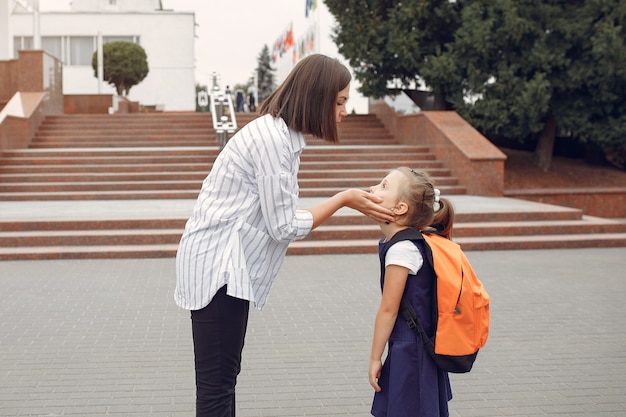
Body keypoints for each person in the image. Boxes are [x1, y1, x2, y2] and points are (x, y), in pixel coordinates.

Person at [175, 54, 395, 417]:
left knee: (223, 379)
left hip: (227, 269)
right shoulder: (273, 141)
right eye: (339, 102)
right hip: (218, 269)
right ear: (317, 98)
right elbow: (284, 226)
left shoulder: (280, 136)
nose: (344, 111)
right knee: (216, 387)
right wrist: (343, 199)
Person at [367, 167, 454, 417]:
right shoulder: (407, 243)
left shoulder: (402, 249)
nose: (373, 189)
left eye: (384, 186)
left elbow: (388, 310)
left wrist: (375, 358)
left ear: (400, 208)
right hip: (415, 348)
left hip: (412, 352)